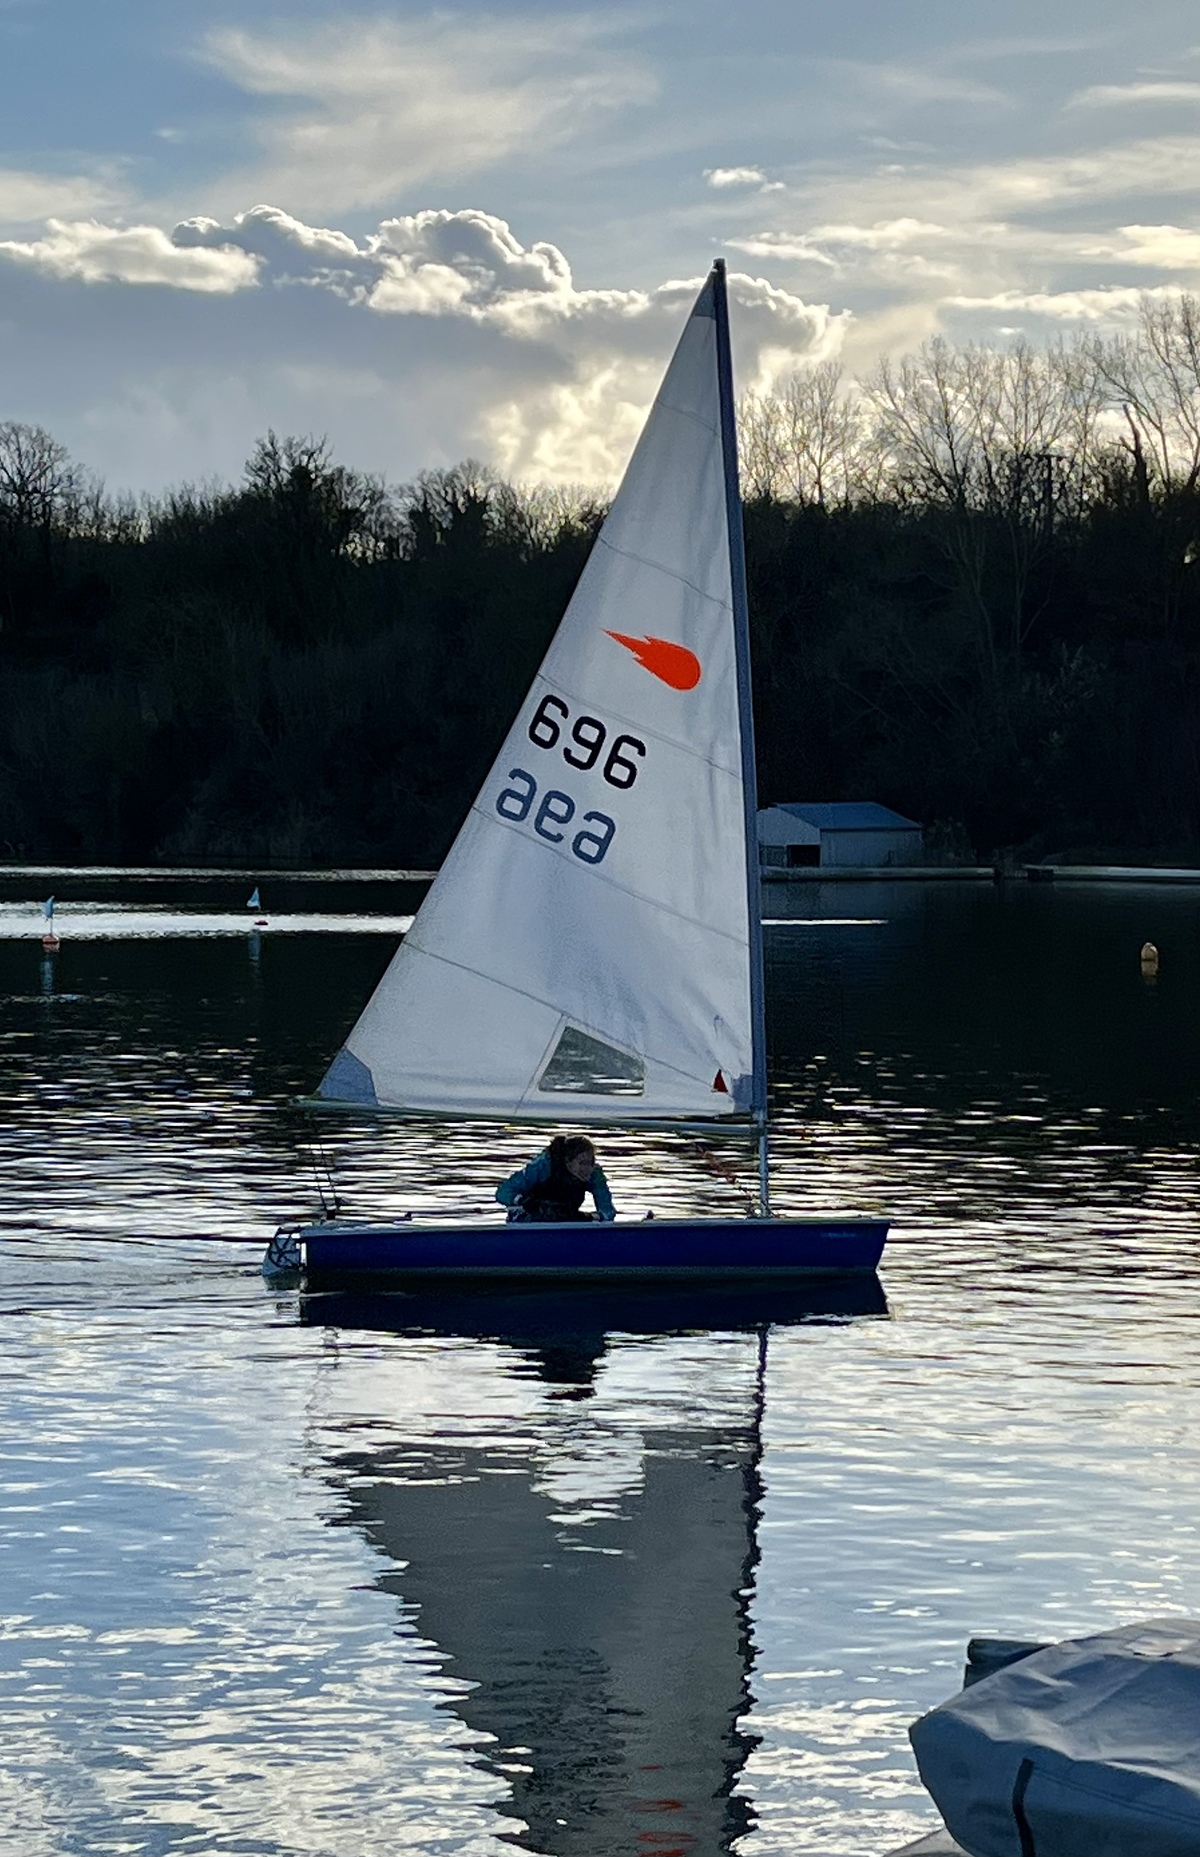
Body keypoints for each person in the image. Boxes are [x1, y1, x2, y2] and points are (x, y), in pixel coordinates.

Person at [496, 1135, 616, 1223]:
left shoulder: (594, 1174)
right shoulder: (543, 1166)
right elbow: (503, 1192)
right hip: (529, 1218)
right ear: (568, 1162)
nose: (587, 1168)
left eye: (591, 1162)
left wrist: (599, 1217)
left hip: (564, 1217)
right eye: (582, 1163)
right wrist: (523, 1201)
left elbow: (608, 1211)